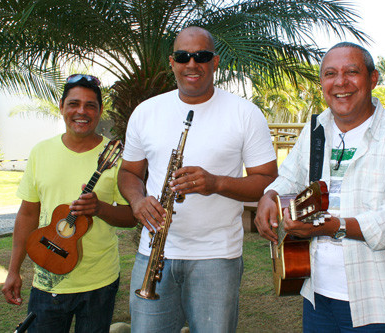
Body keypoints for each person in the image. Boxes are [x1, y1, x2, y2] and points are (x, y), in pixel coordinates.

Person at [254, 42, 385, 331]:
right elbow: (288, 177)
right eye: (330, 73)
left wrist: (332, 227)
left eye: (352, 72)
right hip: (317, 296)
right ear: (322, 82)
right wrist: (269, 195)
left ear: (372, 79)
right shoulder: (317, 130)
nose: (340, 82)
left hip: (378, 302)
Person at [118, 26, 278, 332]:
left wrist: (216, 183)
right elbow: (128, 172)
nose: (192, 64)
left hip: (217, 257)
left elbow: (268, 179)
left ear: (215, 62)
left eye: (201, 56)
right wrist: (137, 201)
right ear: (172, 62)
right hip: (153, 251)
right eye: (183, 56)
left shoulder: (245, 113)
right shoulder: (145, 112)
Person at [2, 74, 137, 332]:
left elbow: (132, 217)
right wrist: (13, 270)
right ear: (62, 106)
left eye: (90, 105)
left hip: (100, 282)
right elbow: (28, 213)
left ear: (100, 111)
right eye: (74, 104)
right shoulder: (41, 152)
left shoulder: (116, 157)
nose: (81, 112)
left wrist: (99, 208)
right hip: (47, 278)